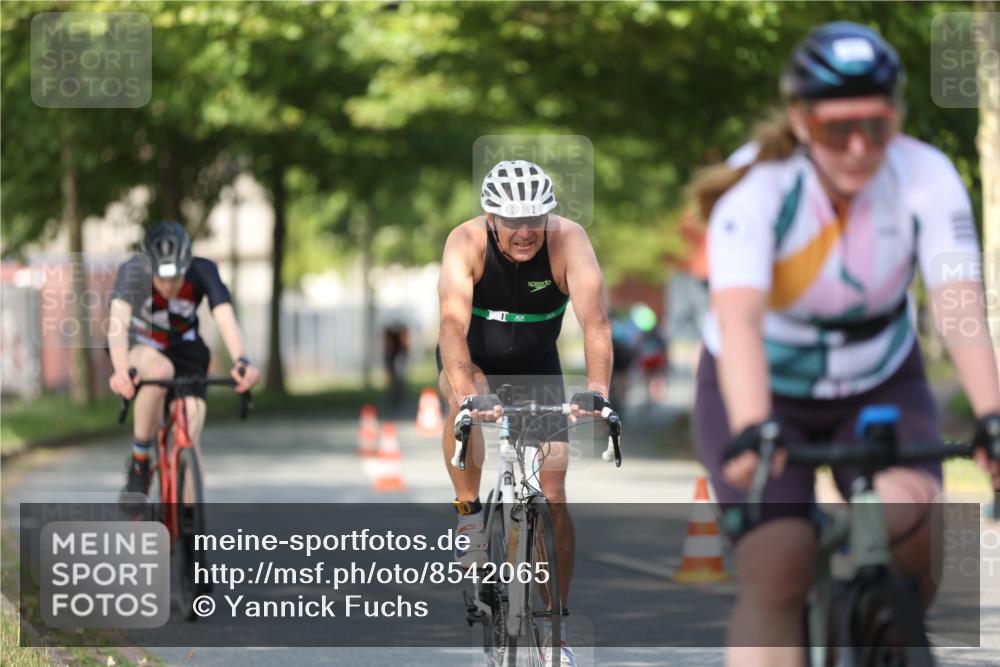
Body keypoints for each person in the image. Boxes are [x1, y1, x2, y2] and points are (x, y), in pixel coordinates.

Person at [689, 22, 1000, 666]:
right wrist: (753, 427)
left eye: (877, 128)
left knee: (913, 537)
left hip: (879, 379)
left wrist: (992, 416)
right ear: (801, 122)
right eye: (837, 130)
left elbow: (958, 303)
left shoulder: (924, 174)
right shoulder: (757, 187)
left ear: (897, 118)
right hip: (760, 385)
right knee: (778, 567)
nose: (859, 148)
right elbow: (739, 320)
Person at [437, 159, 613, 666]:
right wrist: (468, 394)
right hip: (473, 361)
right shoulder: (465, 242)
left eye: (534, 219)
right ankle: (470, 518)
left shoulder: (569, 241)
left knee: (553, 492)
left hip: (537, 366)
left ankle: (555, 626)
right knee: (465, 401)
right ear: (491, 217)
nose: (524, 232)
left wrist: (597, 390)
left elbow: (595, 323)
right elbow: (451, 323)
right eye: (512, 221)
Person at [107, 222, 261, 497]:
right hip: (142, 347)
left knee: (189, 427)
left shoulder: (203, 270)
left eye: (176, 278)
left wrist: (242, 361)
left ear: (186, 266)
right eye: (161, 278)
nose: (169, 286)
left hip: (186, 350)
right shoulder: (133, 271)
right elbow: (117, 323)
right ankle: (140, 461)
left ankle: (189, 517)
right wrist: (121, 370)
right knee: (160, 370)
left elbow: (225, 319)